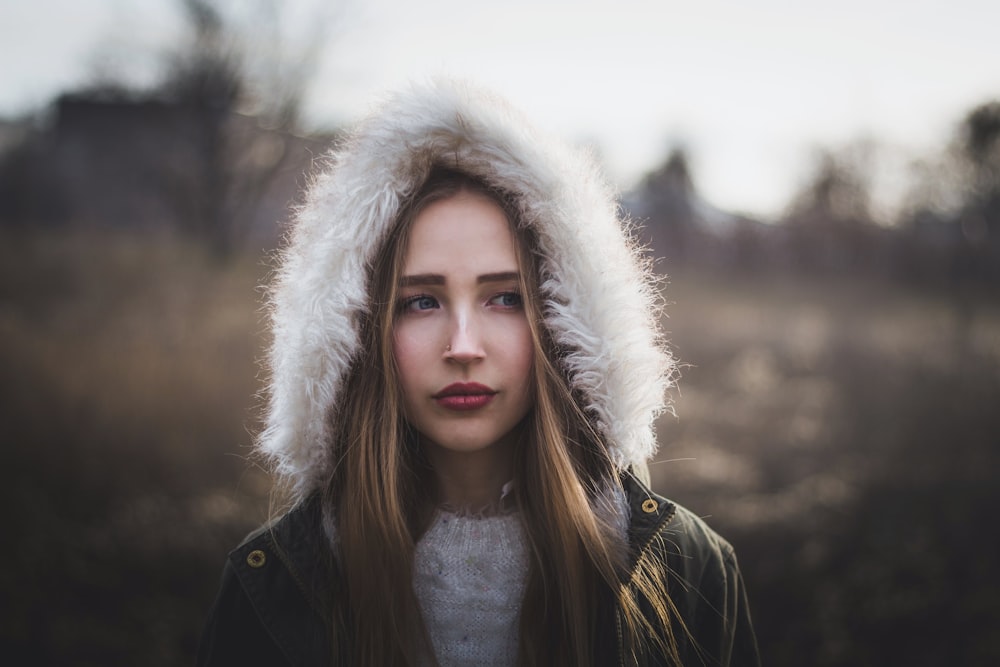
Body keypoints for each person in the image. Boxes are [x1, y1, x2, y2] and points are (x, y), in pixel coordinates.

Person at [197, 78, 760, 667]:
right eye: (420, 301)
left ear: (567, 324)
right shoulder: (272, 587)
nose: (463, 347)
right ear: (357, 332)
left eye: (505, 298)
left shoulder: (689, 574)